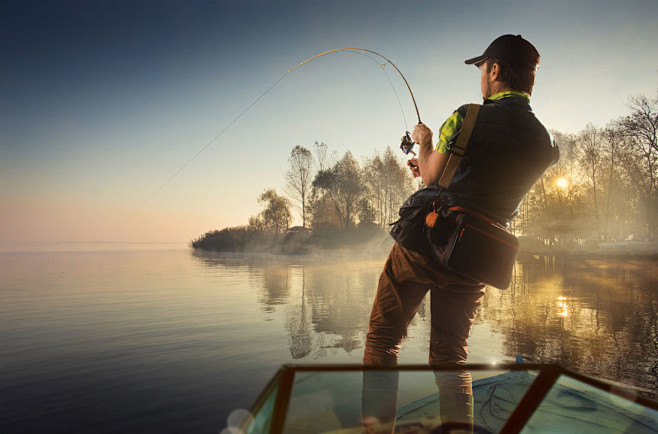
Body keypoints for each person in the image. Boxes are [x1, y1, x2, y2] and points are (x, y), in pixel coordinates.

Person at [362, 34, 559, 430]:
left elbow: (431, 177)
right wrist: (438, 172)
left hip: (425, 245)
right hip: (476, 257)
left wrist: (425, 143)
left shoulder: (468, 116)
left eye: (482, 69)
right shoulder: (543, 142)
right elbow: (488, 188)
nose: (481, 78)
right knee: (451, 358)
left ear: (496, 70)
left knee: (383, 341)